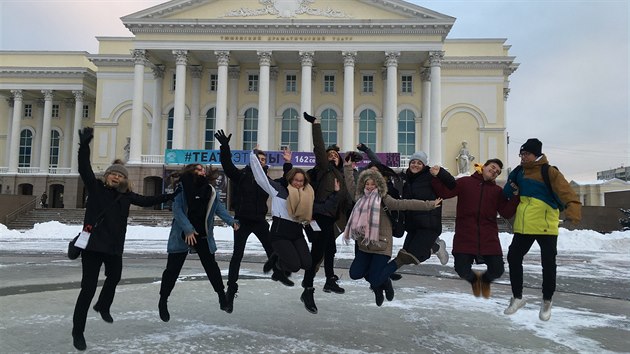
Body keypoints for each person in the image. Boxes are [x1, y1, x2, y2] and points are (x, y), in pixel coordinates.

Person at [72, 127, 176, 351]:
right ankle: (78, 331)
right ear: (107, 175)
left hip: (113, 248)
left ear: (123, 180)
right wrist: (84, 146)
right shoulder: (96, 188)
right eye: (113, 174)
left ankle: (103, 305)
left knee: (114, 277)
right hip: (92, 246)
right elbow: (84, 169)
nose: (116, 177)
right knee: (87, 289)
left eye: (120, 175)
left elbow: (147, 200)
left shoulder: (126, 195)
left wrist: (169, 196)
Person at [214, 129, 294, 313]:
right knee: (237, 256)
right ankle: (230, 292)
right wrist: (225, 146)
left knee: (271, 249)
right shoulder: (241, 176)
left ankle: (278, 273)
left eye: (264, 160)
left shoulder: (266, 180)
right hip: (242, 221)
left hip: (259, 221)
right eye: (259, 159)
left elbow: (285, 181)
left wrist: (288, 162)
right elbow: (227, 165)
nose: (262, 162)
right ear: (253, 160)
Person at [249, 150, 338, 314]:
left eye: (301, 181)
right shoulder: (279, 190)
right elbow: (261, 179)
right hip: (279, 233)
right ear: (290, 180)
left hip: (296, 232)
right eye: (296, 180)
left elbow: (323, 208)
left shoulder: (306, 195)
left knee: (307, 263)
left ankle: (279, 258)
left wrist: (336, 194)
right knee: (295, 266)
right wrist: (253, 158)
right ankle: (278, 263)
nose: (298, 183)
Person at [502, 138, 581, 321]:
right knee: (513, 257)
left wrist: (573, 212)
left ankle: (547, 300)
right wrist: (511, 187)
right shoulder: (518, 171)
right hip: (524, 224)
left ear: (536, 155)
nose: (523, 157)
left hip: (545, 225)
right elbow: (507, 192)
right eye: (521, 154)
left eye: (526, 154)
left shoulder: (549, 172)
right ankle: (517, 297)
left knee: (548, 263)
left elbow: (567, 192)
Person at [343, 166, 441, 306]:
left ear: (378, 184)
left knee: (375, 279)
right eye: (367, 184)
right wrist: (347, 167)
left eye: (373, 184)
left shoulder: (385, 199)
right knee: (355, 274)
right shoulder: (360, 198)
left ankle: (399, 261)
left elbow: (405, 204)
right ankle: (385, 279)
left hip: (382, 245)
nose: (370, 187)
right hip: (365, 245)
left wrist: (429, 205)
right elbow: (350, 184)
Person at [158, 163, 238, 321]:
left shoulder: (210, 190)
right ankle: (163, 301)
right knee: (172, 270)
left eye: (203, 169)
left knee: (211, 267)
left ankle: (222, 296)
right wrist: (188, 229)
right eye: (198, 169)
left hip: (202, 234)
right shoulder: (182, 188)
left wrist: (231, 221)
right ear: (190, 171)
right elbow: (177, 210)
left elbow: (219, 208)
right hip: (183, 234)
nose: (201, 171)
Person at [431, 159, 519, 298]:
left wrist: (516, 197)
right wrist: (436, 177)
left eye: (497, 171)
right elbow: (446, 192)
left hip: (488, 237)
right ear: (483, 167)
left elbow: (506, 213)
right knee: (461, 269)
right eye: (493, 167)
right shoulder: (465, 182)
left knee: (497, 270)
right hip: (465, 235)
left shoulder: (497, 191)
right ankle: (474, 281)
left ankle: (484, 281)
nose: (494, 171)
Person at [302, 112, 351, 297]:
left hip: (332, 218)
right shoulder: (324, 168)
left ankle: (329, 280)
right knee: (317, 252)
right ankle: (308, 286)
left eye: (335, 155)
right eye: (329, 154)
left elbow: (347, 197)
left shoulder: (342, 175)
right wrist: (316, 124)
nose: (332, 156)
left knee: (330, 249)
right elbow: (319, 147)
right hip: (320, 214)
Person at [400, 151, 454, 266]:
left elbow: (452, 184)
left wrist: (440, 173)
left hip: (428, 224)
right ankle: (435, 246)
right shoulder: (407, 179)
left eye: (419, 163)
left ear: (424, 165)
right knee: (406, 255)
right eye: (413, 162)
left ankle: (436, 247)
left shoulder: (431, 177)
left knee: (415, 255)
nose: (415, 165)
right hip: (413, 225)